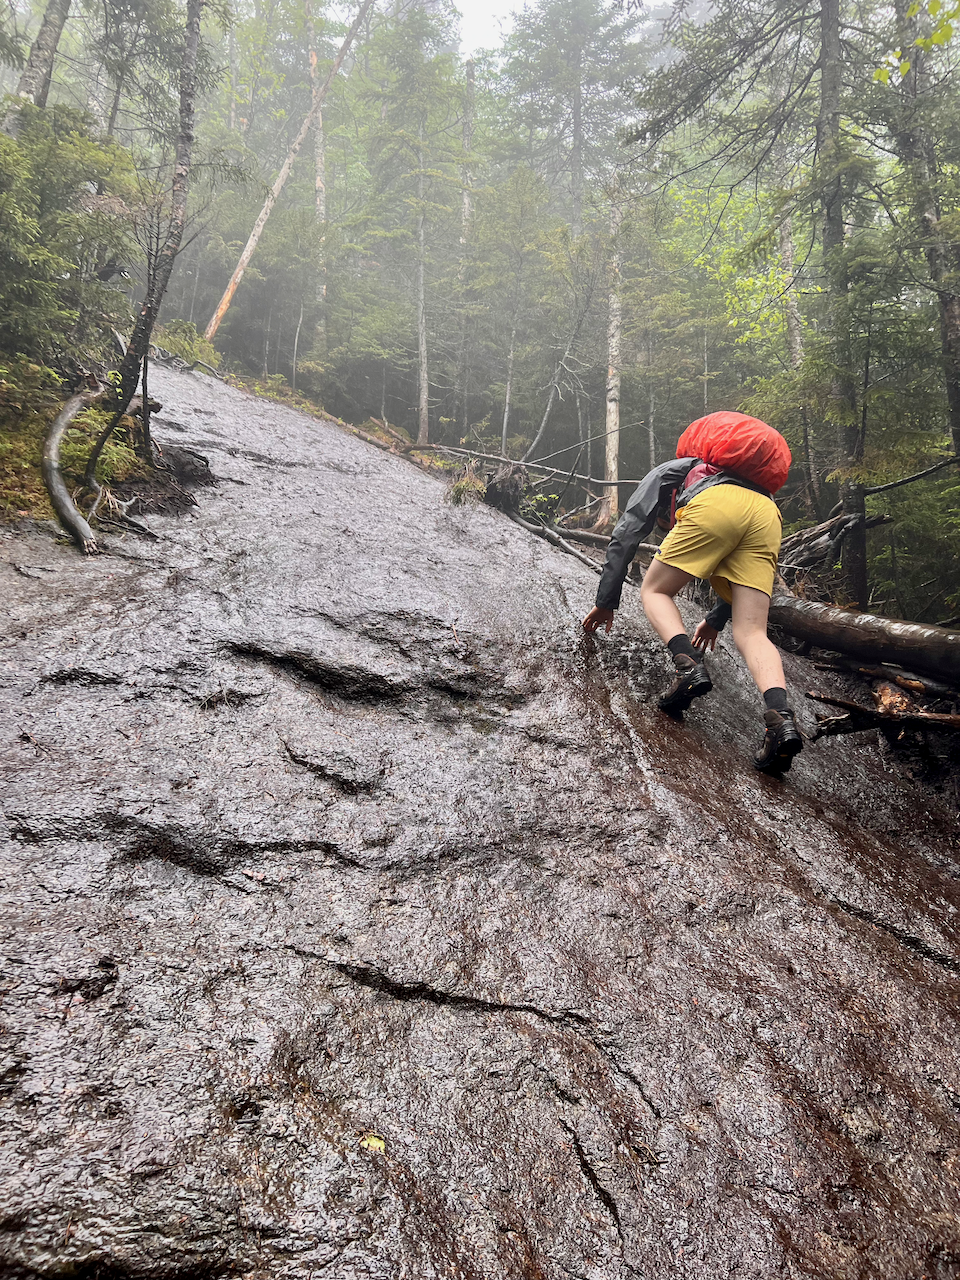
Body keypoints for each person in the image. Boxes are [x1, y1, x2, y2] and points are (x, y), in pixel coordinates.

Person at [582, 414, 803, 774]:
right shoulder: (759, 492)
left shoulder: (679, 468)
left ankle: (687, 666)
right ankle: (781, 721)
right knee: (753, 633)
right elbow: (732, 569)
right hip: (767, 517)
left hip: (714, 505)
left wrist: (605, 602)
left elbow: (627, 532)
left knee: (655, 590)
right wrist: (715, 620)